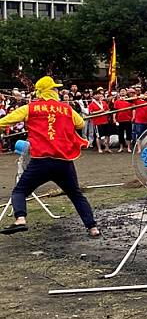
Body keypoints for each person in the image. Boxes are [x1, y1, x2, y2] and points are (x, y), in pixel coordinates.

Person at [0, 76, 99, 237]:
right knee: (75, 195)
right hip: (63, 162)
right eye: (55, 88)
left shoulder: (30, 108)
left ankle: (20, 219)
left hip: (41, 162)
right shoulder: (66, 108)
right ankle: (92, 227)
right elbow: (80, 123)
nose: (57, 91)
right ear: (49, 91)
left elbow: (5, 121)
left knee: (20, 191)